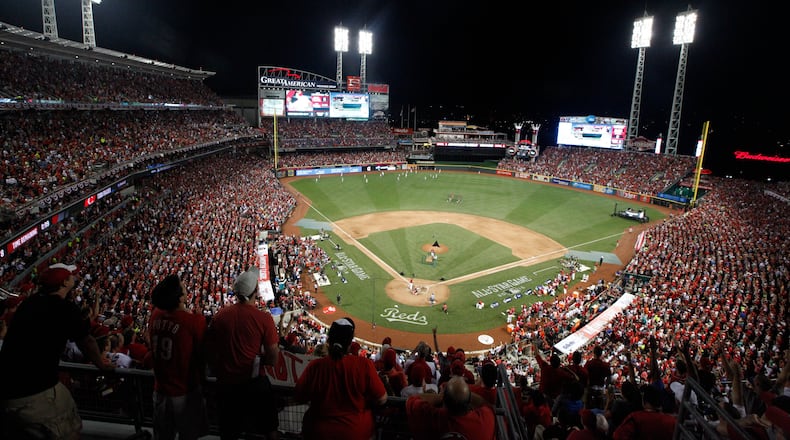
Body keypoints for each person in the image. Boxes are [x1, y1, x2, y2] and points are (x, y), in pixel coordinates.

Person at [0, 263, 114, 439]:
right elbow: (87, 340)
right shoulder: (63, 308)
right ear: (64, 283)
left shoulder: (29, 303)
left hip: (8, 388)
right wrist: (100, 363)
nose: (74, 278)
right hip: (35, 392)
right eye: (70, 277)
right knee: (68, 431)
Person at [205, 267, 281, 440]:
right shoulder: (264, 319)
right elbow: (273, 358)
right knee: (270, 429)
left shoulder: (220, 315)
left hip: (226, 384)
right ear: (256, 291)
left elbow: (209, 351)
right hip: (254, 383)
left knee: (229, 431)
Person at [294, 317, 387, 440]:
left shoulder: (315, 366)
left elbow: (299, 396)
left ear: (329, 339)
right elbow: (381, 399)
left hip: (319, 432)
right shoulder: (364, 365)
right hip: (355, 432)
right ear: (350, 342)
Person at [147, 274, 208, 440]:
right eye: (183, 287)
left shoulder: (155, 316)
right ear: (180, 298)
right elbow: (202, 356)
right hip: (185, 393)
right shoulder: (195, 321)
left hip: (160, 391)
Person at [406, 375, 496, 440]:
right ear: (469, 404)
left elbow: (412, 399)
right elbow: (486, 405)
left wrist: (440, 396)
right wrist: (465, 395)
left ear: (444, 401)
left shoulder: (429, 417)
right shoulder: (485, 421)